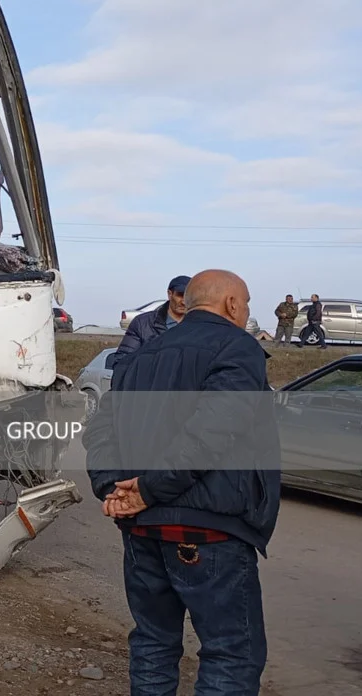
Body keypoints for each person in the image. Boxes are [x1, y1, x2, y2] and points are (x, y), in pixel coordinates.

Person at [83, 269, 280, 694]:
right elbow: (213, 431)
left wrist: (112, 488)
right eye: (245, 304)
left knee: (154, 643)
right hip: (209, 530)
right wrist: (143, 490)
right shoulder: (238, 348)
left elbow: (100, 429)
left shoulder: (142, 355)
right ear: (231, 304)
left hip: (144, 530)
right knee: (231, 653)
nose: (246, 311)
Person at [107, 275, 190, 369]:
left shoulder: (199, 327)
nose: (183, 301)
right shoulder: (142, 324)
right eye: (180, 295)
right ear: (170, 294)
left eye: (187, 296)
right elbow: (121, 362)